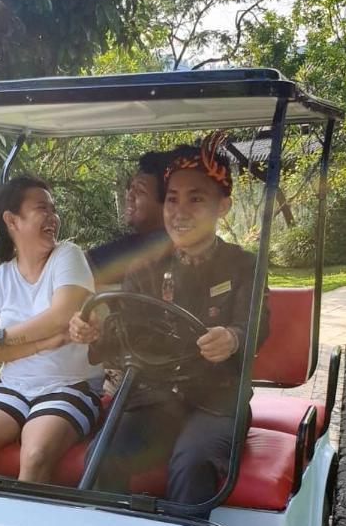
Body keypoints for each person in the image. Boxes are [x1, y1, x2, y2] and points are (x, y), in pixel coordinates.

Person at [69, 134, 269, 506]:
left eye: (196, 199)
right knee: (102, 454)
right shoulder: (146, 267)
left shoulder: (244, 265)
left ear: (222, 206)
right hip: (155, 400)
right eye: (173, 199)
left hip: (216, 400)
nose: (180, 211)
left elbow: (255, 323)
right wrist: (93, 331)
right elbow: (125, 332)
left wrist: (233, 337)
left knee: (191, 462)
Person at [0, 175, 103, 484]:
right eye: (41, 209)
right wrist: (47, 342)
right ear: (12, 220)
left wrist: (3, 337)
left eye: (53, 209)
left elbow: (61, 315)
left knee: (33, 456)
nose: (53, 217)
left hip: (69, 385)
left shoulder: (67, 256)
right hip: (14, 386)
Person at [86, 151, 171, 289]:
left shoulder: (153, 243)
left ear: (167, 203)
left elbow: (78, 267)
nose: (129, 196)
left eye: (140, 191)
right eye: (131, 188)